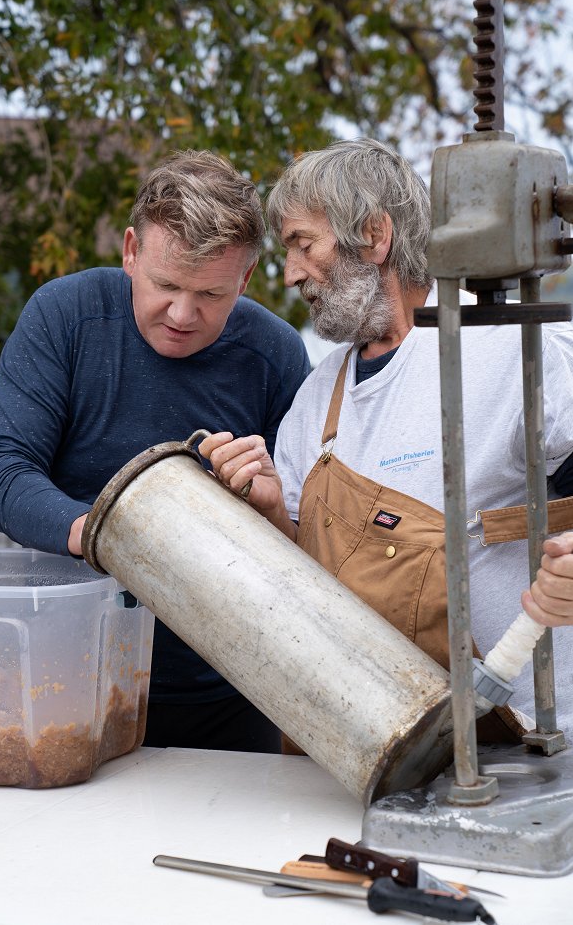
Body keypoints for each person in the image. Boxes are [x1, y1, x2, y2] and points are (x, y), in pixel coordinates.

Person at [200, 137, 573, 741]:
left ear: (375, 236)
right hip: (375, 745)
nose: (293, 273)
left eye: (303, 244)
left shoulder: (509, 350)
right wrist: (269, 508)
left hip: (529, 740)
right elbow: (306, 584)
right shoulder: (317, 400)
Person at [0, 149, 311, 753]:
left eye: (210, 294)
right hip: (69, 678)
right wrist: (100, 535)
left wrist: (270, 508)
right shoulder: (64, 317)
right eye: (166, 285)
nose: (182, 314)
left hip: (231, 694)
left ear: (247, 278)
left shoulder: (277, 355)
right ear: (131, 250)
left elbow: (308, 550)